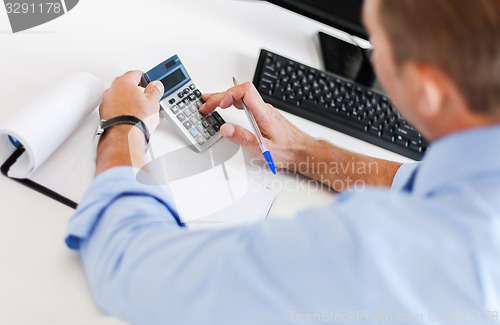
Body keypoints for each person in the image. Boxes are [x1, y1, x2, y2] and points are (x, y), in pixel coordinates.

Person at [66, 0, 500, 324]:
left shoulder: (383, 253)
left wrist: (124, 127)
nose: (375, 59)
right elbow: (419, 180)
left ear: (426, 87)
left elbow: (134, 270)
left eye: (379, 48)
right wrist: (304, 151)